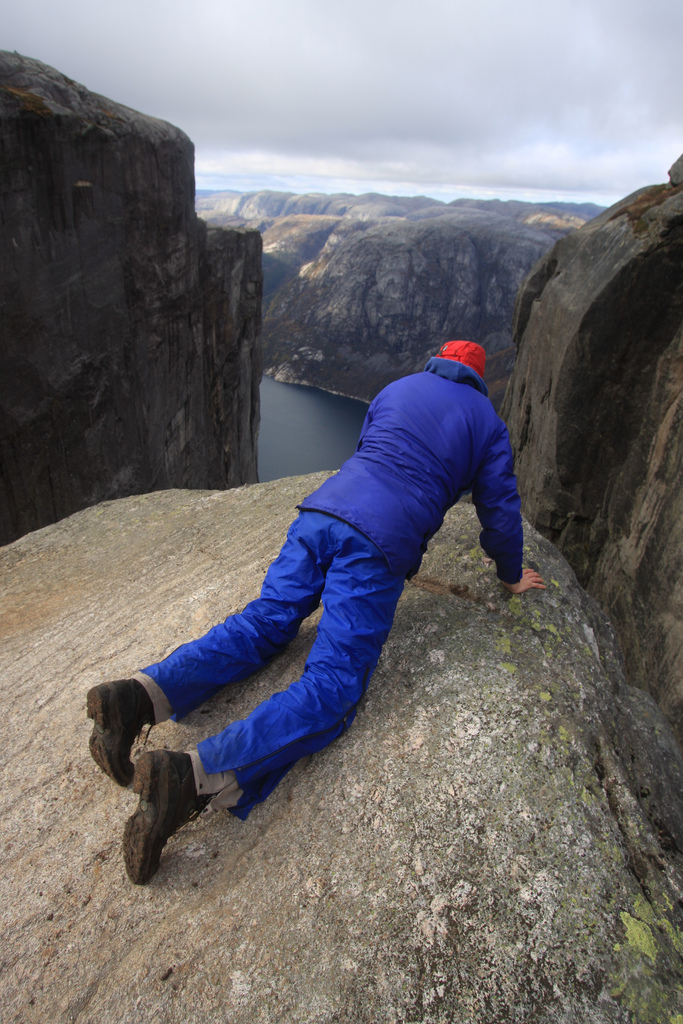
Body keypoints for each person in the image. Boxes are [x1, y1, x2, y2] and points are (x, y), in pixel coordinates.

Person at [87, 340, 544, 884]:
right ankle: (189, 776)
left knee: (266, 620)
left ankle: (136, 696)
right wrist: (512, 573)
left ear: (437, 362)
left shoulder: (396, 388)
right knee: (333, 684)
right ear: (478, 378)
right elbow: (499, 508)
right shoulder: (487, 424)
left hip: (323, 509)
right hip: (379, 540)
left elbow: (369, 448)